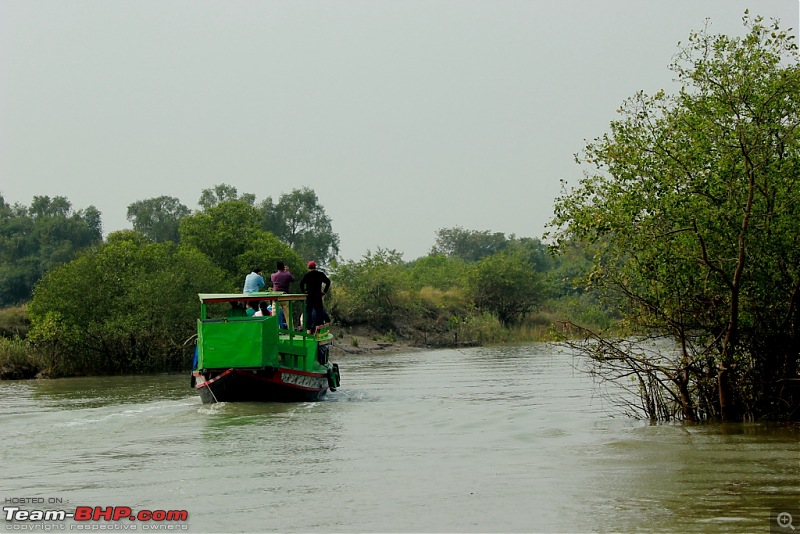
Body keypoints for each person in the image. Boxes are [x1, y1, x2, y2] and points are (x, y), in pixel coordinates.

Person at [299, 260, 331, 334]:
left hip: (309, 296)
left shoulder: (307, 275)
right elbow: (328, 282)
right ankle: (317, 326)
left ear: (308, 267)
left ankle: (309, 329)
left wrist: (303, 292)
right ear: (315, 266)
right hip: (317, 296)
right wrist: (324, 291)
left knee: (308, 312)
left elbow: (301, 283)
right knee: (319, 311)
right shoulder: (320, 274)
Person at [271, 261, 294, 330]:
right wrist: (287, 271)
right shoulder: (287, 275)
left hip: (276, 297)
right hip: (285, 296)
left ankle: (273, 330)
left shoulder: (273, 275)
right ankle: (291, 331)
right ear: (283, 267)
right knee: (288, 315)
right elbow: (293, 279)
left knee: (274, 315)